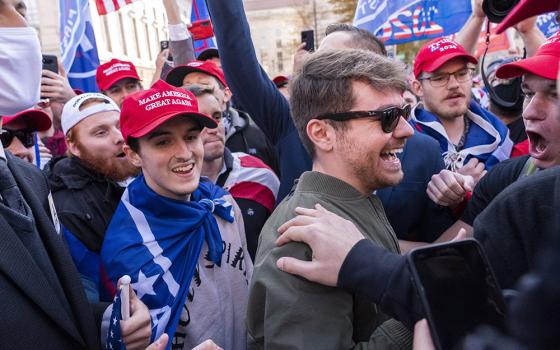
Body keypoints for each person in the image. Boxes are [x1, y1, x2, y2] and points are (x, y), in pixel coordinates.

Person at [205, 0, 454, 242]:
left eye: (334, 62)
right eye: (317, 60)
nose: (317, 69)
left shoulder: (423, 150)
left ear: (379, 70)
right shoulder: (292, 124)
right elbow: (239, 61)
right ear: (319, 134)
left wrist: (366, 257)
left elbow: (439, 254)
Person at [0, 2, 153, 348]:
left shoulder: (30, 180)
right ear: (72, 145)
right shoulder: (66, 204)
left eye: (18, 6)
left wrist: (108, 323)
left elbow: (56, 299)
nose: (19, 23)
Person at [247, 49, 413, 349]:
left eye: (405, 113)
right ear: (323, 134)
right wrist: (419, 318)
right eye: (387, 118)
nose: (406, 130)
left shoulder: (356, 198)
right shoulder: (303, 233)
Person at [102, 80, 252, 349]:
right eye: (163, 142)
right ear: (133, 154)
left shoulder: (222, 204)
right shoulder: (130, 249)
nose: (184, 153)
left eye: (191, 137)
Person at [426, 30, 560, 242]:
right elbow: (441, 258)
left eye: (556, 94)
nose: (529, 112)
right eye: (528, 93)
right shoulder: (506, 178)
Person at [45, 93, 139, 303]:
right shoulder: (69, 210)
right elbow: (88, 301)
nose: (119, 137)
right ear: (74, 147)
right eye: (101, 132)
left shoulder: (146, 175)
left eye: (119, 125)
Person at [187, 85, 279, 260]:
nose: (213, 127)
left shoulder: (259, 175)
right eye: (200, 122)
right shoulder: (168, 189)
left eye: (216, 116)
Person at [410, 38, 512, 174]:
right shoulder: (404, 140)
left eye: (462, 74)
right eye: (439, 78)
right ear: (418, 88)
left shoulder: (498, 134)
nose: (454, 85)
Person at [165, 60, 279, 175]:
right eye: (187, 87)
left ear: (226, 94)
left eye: (203, 84)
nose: (193, 92)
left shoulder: (260, 137)